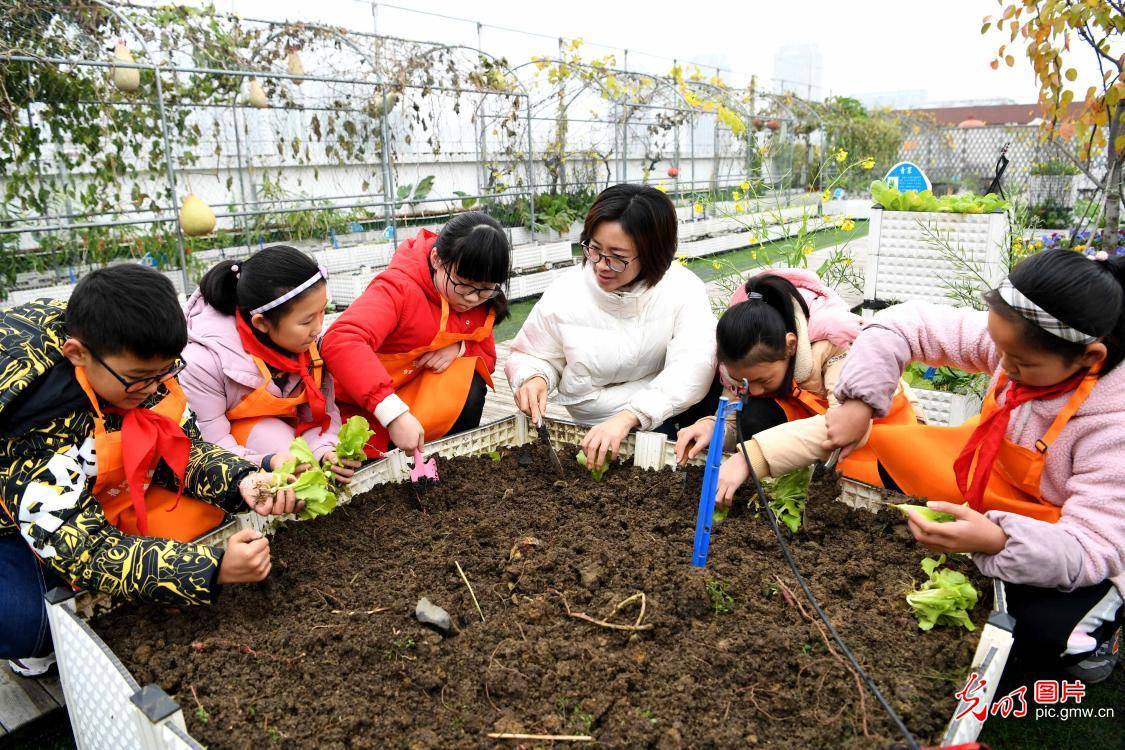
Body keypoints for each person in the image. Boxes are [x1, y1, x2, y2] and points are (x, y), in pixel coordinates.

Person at [826, 248, 1124, 683]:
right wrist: (859, 401)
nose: (1000, 365)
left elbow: (1093, 546)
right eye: (998, 348)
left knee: (1043, 635)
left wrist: (1000, 540)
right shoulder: (1019, 340)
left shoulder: (1113, 426)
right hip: (997, 488)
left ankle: (1097, 636)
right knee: (883, 456)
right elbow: (901, 324)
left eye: (1019, 364)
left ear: (1090, 359)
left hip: (1077, 536)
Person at [0, 265, 298, 676]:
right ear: (77, 354)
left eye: (166, 371)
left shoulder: (140, 370)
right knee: (33, 621)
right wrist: (208, 569)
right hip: (13, 516)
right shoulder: (36, 417)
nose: (154, 387)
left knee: (196, 518)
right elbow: (84, 548)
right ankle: (27, 645)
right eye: (140, 379)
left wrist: (243, 479)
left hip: (76, 493)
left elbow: (183, 450)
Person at [506, 183, 716, 469]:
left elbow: (693, 367)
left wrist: (630, 416)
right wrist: (534, 377)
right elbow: (535, 353)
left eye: (617, 257)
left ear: (654, 254)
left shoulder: (682, 289)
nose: (602, 265)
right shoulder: (566, 292)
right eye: (594, 249)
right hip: (588, 421)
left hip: (659, 415)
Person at [674, 269, 917, 505]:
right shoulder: (743, 365)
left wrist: (750, 459)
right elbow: (731, 420)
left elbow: (848, 424)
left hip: (883, 436)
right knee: (755, 414)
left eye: (763, 380)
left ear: (790, 345)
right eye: (745, 382)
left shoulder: (837, 345)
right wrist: (711, 428)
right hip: (813, 441)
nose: (755, 390)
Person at [320, 212, 512, 457]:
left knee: (472, 380)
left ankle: (454, 459)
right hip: (361, 403)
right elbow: (341, 340)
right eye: (463, 285)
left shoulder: (479, 304)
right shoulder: (399, 289)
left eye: (485, 290)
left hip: (412, 394)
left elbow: (487, 356)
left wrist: (459, 347)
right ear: (436, 259)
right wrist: (392, 413)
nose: (472, 298)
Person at [181, 246, 357, 483]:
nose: (317, 329)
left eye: (323, 311)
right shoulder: (203, 361)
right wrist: (266, 463)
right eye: (306, 321)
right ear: (262, 323)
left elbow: (320, 415)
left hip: (286, 445)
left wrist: (326, 452)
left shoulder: (307, 346)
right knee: (275, 437)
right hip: (236, 465)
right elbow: (212, 445)